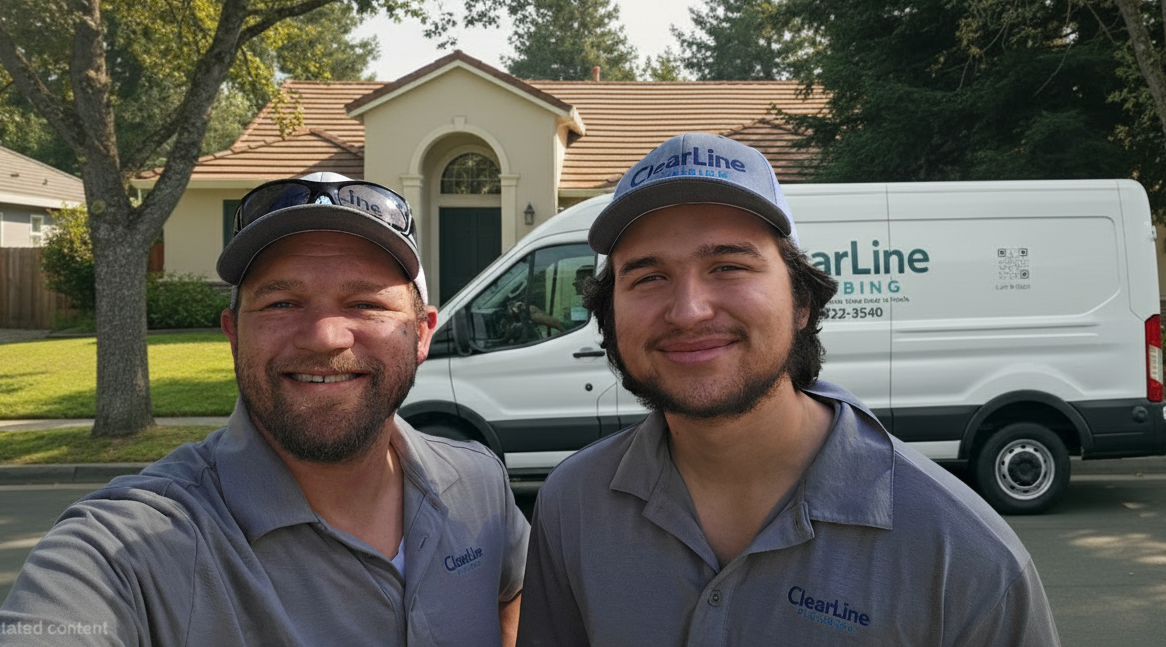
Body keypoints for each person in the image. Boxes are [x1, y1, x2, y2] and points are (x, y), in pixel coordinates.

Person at [516, 134, 1060, 646]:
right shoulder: (572, 508)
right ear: (610, 314)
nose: (688, 310)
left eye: (728, 266)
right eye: (648, 277)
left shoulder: (963, 555)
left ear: (801, 302)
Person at [0, 172, 529, 646]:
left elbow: (511, 600)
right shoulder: (122, 553)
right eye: (281, 303)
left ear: (421, 335)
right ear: (234, 335)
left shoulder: (479, 485)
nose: (324, 337)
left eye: (364, 303)